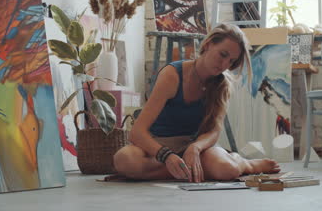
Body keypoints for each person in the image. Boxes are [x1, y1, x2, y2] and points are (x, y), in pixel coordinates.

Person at [114, 23, 280, 182]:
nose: (224, 65)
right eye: (223, 55)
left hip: (194, 147)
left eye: (231, 61)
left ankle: (246, 163)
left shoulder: (222, 85)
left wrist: (195, 148)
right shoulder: (172, 75)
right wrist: (166, 156)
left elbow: (214, 132)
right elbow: (137, 132)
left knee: (226, 169)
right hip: (159, 147)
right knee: (125, 160)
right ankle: (187, 170)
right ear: (208, 44)